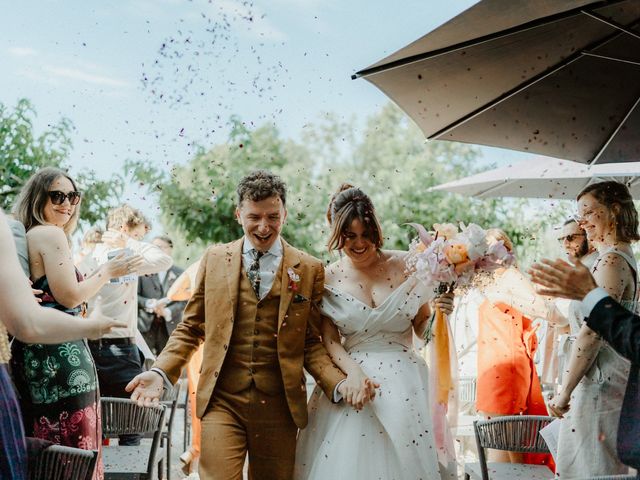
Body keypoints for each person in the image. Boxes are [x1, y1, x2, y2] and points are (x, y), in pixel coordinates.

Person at [126, 170, 353, 480]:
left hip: (280, 405)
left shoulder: (309, 268)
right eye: (254, 216)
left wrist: (337, 383)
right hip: (223, 400)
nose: (263, 226)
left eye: (273, 216)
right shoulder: (215, 258)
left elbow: (310, 342)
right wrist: (161, 371)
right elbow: (191, 327)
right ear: (238, 214)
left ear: (284, 214)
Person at [294, 185, 455, 480]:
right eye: (350, 236)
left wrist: (441, 315)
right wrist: (353, 375)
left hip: (406, 382)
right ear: (335, 232)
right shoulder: (326, 277)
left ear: (376, 230)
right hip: (355, 380)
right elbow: (329, 339)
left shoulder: (409, 264)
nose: (359, 244)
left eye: (366, 234)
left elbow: (422, 327)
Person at [9, 167, 143, 480]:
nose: (67, 203)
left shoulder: (27, 236)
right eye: (57, 195)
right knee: (76, 450)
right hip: (62, 357)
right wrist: (108, 271)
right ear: (38, 198)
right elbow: (69, 297)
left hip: (35, 358)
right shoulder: (50, 234)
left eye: (72, 196)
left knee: (48, 451)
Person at [534, 181, 638, 478]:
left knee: (592, 466)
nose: (582, 223)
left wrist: (564, 391)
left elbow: (593, 333)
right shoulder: (611, 258)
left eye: (588, 213)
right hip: (596, 376)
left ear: (613, 211)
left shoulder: (613, 261)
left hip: (599, 381)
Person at [80, 204, 172, 446]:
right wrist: (129, 244)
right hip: (110, 349)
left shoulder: (124, 256)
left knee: (113, 422)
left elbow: (163, 260)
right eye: (139, 234)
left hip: (106, 348)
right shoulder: (95, 257)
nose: (142, 238)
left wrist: (128, 245)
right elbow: (164, 259)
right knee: (125, 424)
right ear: (125, 228)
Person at [474, 229, 555, 468]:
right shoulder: (489, 279)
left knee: (509, 438)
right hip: (490, 365)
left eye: (493, 249)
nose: (487, 255)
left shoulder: (510, 276)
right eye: (483, 251)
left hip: (507, 365)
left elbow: (541, 307)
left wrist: (505, 296)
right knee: (496, 438)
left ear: (505, 250)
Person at [137, 235, 186, 355]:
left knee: (168, 364)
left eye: (161, 247)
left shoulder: (180, 273)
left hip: (169, 326)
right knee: (144, 364)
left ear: (170, 249)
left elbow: (185, 299)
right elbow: (135, 296)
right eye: (154, 247)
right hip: (145, 326)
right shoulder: (142, 270)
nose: (157, 250)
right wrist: (149, 303)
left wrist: (168, 311)